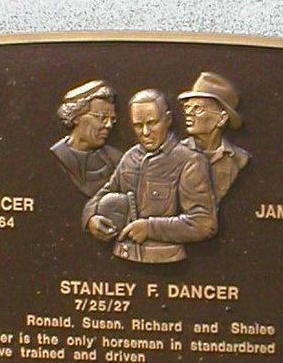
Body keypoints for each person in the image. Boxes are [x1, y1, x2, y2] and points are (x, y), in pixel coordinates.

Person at [83, 89, 217, 263]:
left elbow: (204, 223)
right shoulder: (130, 158)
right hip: (122, 258)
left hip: (169, 265)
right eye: (138, 125)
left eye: (152, 123)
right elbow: (105, 192)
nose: (145, 132)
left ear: (168, 120)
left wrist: (150, 228)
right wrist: (91, 219)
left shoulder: (190, 161)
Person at [178, 72, 250, 201]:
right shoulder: (175, 156)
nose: (188, 113)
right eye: (187, 107)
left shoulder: (239, 159)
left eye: (197, 108)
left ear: (222, 118)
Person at [50, 80, 121, 197]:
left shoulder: (117, 160)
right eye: (102, 117)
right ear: (76, 117)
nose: (109, 125)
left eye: (112, 119)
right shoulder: (57, 155)